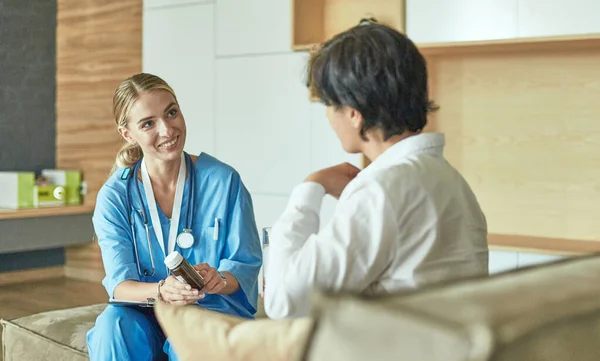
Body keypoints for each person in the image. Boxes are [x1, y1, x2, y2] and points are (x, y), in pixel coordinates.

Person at [264, 23, 489, 319]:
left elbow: (283, 301)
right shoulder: (450, 180)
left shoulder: (381, 190)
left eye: (330, 105)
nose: (329, 117)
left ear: (353, 113)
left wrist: (310, 188)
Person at [86, 73, 262, 360]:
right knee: (112, 325)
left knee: (191, 333)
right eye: (148, 123)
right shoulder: (114, 196)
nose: (168, 130)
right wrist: (161, 290)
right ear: (128, 134)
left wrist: (221, 278)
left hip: (209, 306)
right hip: (144, 311)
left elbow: (244, 264)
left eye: (171, 112)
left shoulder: (223, 181)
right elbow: (120, 284)